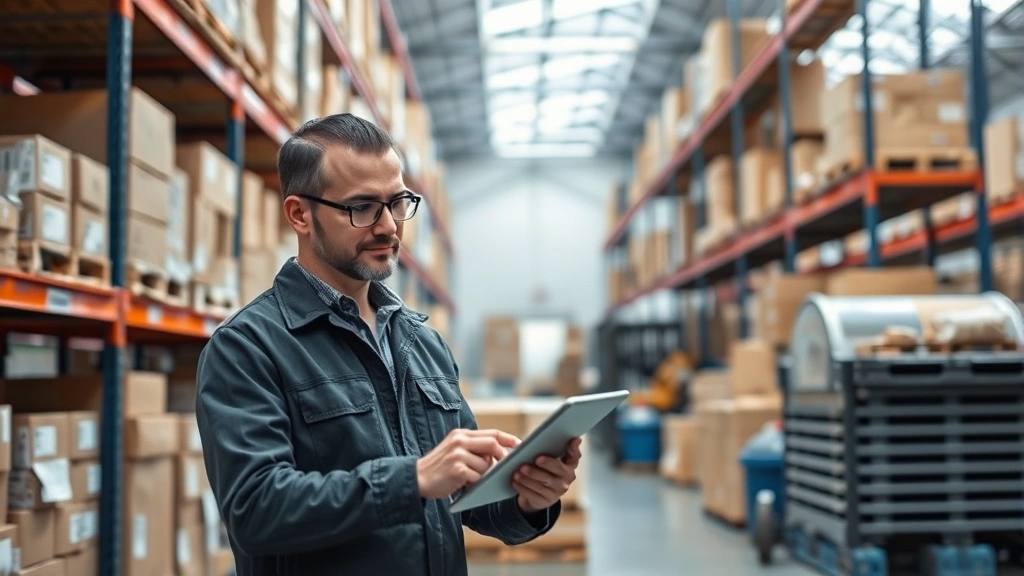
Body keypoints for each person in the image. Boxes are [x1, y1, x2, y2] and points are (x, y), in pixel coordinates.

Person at [194, 113, 581, 575]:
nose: (389, 227)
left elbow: (466, 499)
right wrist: (411, 480)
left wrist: (527, 499)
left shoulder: (421, 340)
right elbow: (255, 511)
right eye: (362, 208)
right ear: (300, 214)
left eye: (397, 203)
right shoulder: (248, 347)